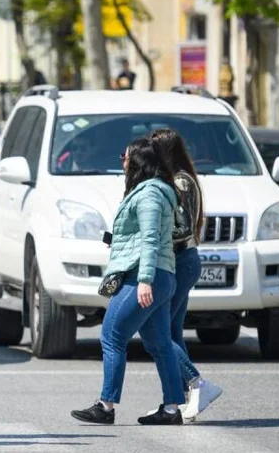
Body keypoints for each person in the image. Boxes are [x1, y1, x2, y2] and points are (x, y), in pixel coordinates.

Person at [71, 137, 184, 426]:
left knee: (112, 336)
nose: (121, 161)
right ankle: (171, 409)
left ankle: (105, 406)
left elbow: (150, 239)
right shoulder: (153, 191)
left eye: (125, 156)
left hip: (146, 276)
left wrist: (144, 280)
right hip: (159, 275)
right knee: (160, 344)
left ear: (137, 162)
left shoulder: (149, 195)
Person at [150, 129, 224, 421]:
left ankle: (197, 384)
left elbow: (183, 228)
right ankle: (177, 401)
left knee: (160, 332)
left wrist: (154, 233)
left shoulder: (181, 180)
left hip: (182, 261)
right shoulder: (177, 178)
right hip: (182, 261)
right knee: (172, 331)